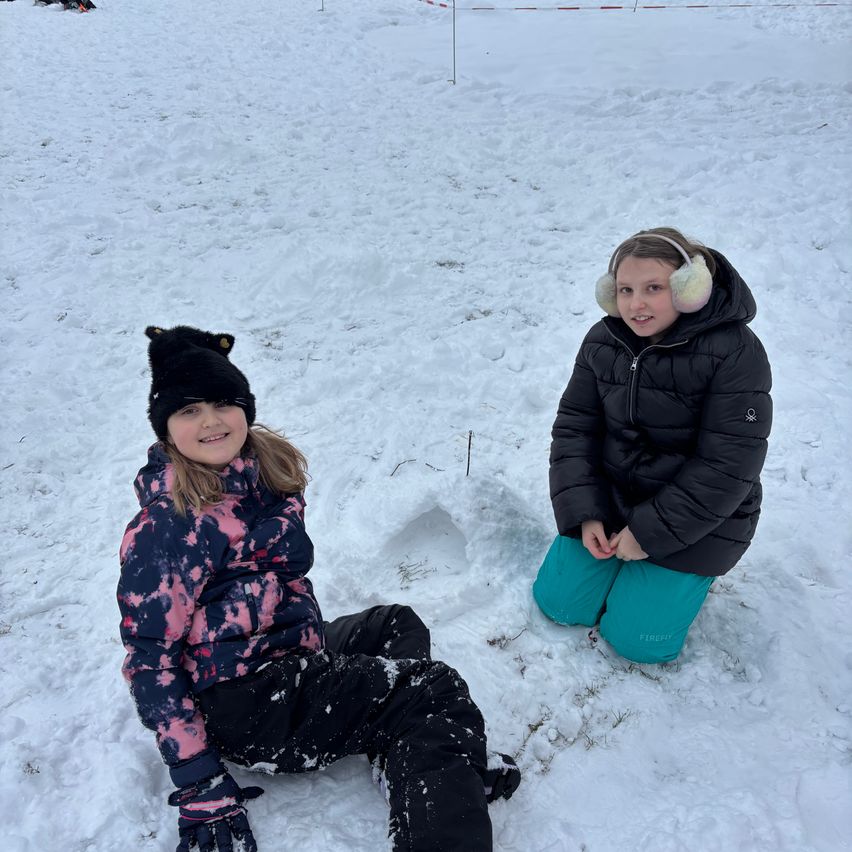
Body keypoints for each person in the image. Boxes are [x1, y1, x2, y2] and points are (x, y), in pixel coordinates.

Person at [117, 326, 521, 852]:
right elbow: (150, 659)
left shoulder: (255, 474)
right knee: (432, 689)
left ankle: (420, 761)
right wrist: (198, 780)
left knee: (395, 624)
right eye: (189, 410)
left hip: (285, 653)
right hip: (248, 701)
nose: (211, 421)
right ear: (167, 428)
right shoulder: (171, 526)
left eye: (222, 403)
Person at [533, 228, 772, 664]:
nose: (635, 304)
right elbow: (575, 430)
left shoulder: (736, 353)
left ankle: (674, 579)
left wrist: (649, 533)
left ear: (690, 288)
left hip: (700, 519)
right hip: (613, 500)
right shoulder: (603, 340)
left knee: (638, 641)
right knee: (560, 605)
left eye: (653, 288)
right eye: (625, 290)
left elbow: (728, 465)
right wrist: (586, 512)